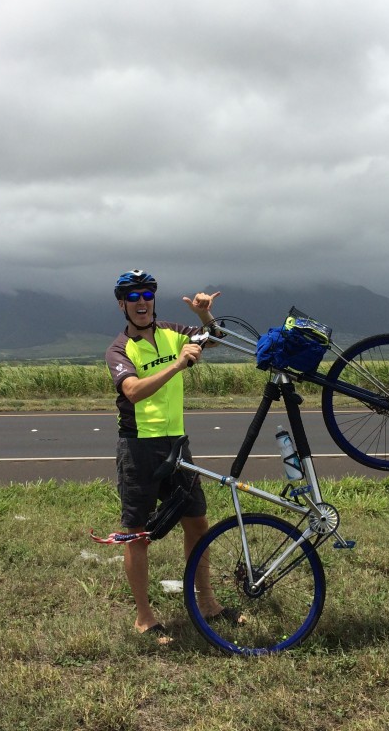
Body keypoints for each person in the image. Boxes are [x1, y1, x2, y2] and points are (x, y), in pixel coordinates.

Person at [105, 269, 240, 643]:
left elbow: (215, 340)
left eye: (147, 294)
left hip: (177, 444)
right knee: (137, 534)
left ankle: (208, 603)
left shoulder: (171, 330)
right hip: (138, 447)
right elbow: (132, 391)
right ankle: (144, 618)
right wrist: (177, 365)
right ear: (122, 305)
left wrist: (204, 316)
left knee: (197, 522)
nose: (142, 301)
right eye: (133, 297)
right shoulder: (119, 349)